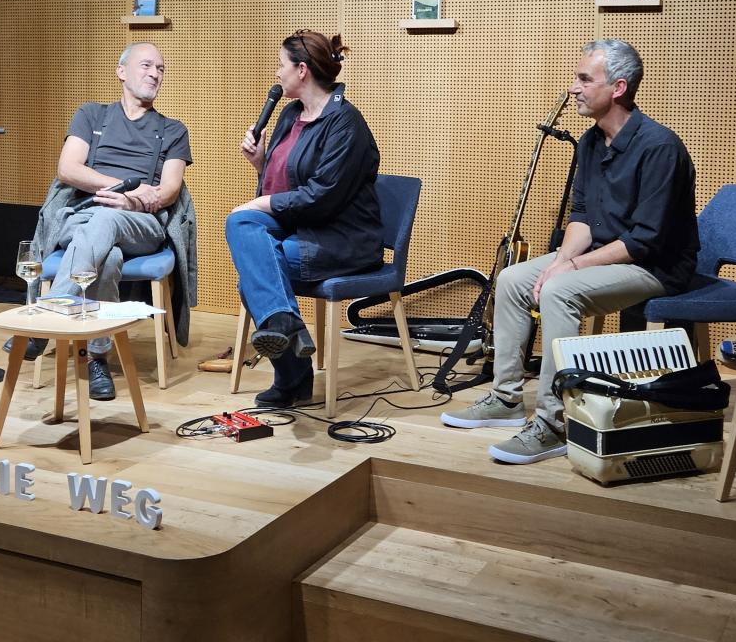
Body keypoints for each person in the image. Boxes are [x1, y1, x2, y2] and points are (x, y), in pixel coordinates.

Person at [441, 39, 698, 464]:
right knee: (513, 277)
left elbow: (644, 241)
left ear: (617, 87)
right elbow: (581, 217)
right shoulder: (591, 142)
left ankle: (554, 422)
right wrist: (560, 262)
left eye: (583, 79)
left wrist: (570, 270)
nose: (573, 88)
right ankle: (505, 399)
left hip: (655, 265)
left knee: (561, 291)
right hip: (603, 252)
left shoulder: (660, 148)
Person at [12, 42, 193, 401]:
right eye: (146, 65)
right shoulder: (91, 115)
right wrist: (124, 189)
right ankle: (97, 358)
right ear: (121, 71)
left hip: (140, 223)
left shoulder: (173, 130)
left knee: (108, 220)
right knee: (106, 255)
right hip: (80, 217)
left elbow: (168, 192)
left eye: (160, 68)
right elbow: (67, 169)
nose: (155, 73)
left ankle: (46, 319)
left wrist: (130, 202)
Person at [225, 30, 382, 407]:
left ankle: (293, 376)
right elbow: (284, 186)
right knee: (240, 225)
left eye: (281, 65)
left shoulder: (346, 123)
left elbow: (319, 199)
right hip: (298, 228)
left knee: (256, 277)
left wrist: (257, 204)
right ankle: (287, 328)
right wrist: (260, 162)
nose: (276, 74)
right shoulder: (291, 114)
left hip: (341, 237)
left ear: (301, 70)